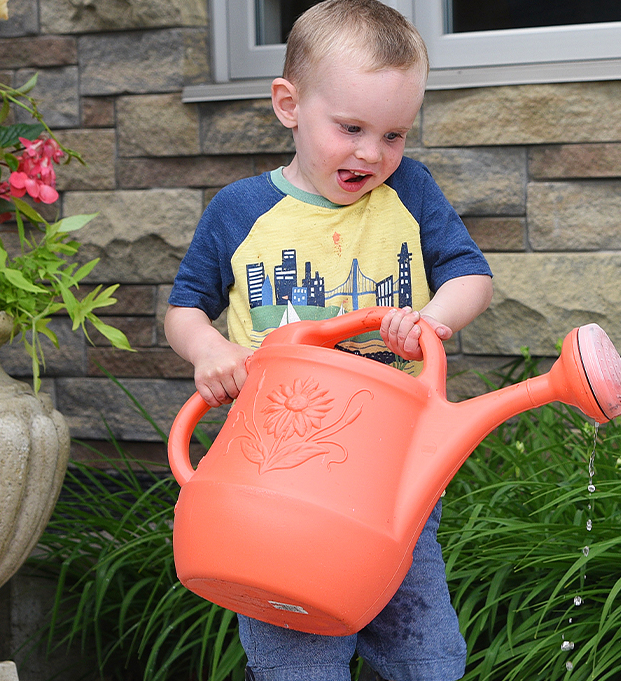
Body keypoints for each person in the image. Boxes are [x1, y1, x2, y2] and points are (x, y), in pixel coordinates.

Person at [162, 1, 493, 678]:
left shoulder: (410, 191)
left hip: (390, 478)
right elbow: (183, 308)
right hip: (276, 482)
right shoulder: (240, 211)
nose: (373, 153)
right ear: (288, 103)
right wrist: (209, 350)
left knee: (427, 653)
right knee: (297, 657)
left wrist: (434, 320)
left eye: (395, 134)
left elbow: (471, 273)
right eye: (351, 127)